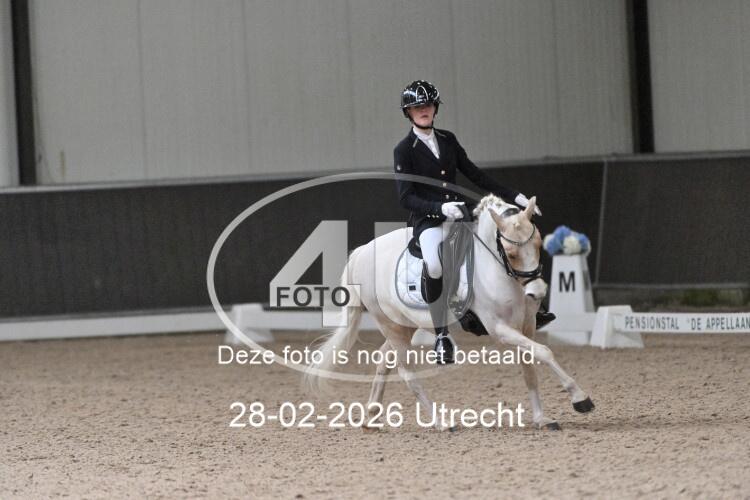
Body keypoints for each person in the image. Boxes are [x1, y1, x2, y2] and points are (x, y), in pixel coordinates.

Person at [393, 80, 554, 364]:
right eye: (417, 107)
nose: (423, 110)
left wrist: (515, 196)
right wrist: (439, 208)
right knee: (434, 264)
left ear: (435, 108)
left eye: (428, 105)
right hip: (429, 220)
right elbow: (406, 197)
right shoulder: (404, 149)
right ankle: (441, 336)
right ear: (408, 112)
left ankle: (529, 310)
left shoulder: (448, 139)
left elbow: (475, 174)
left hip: (461, 212)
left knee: (503, 245)